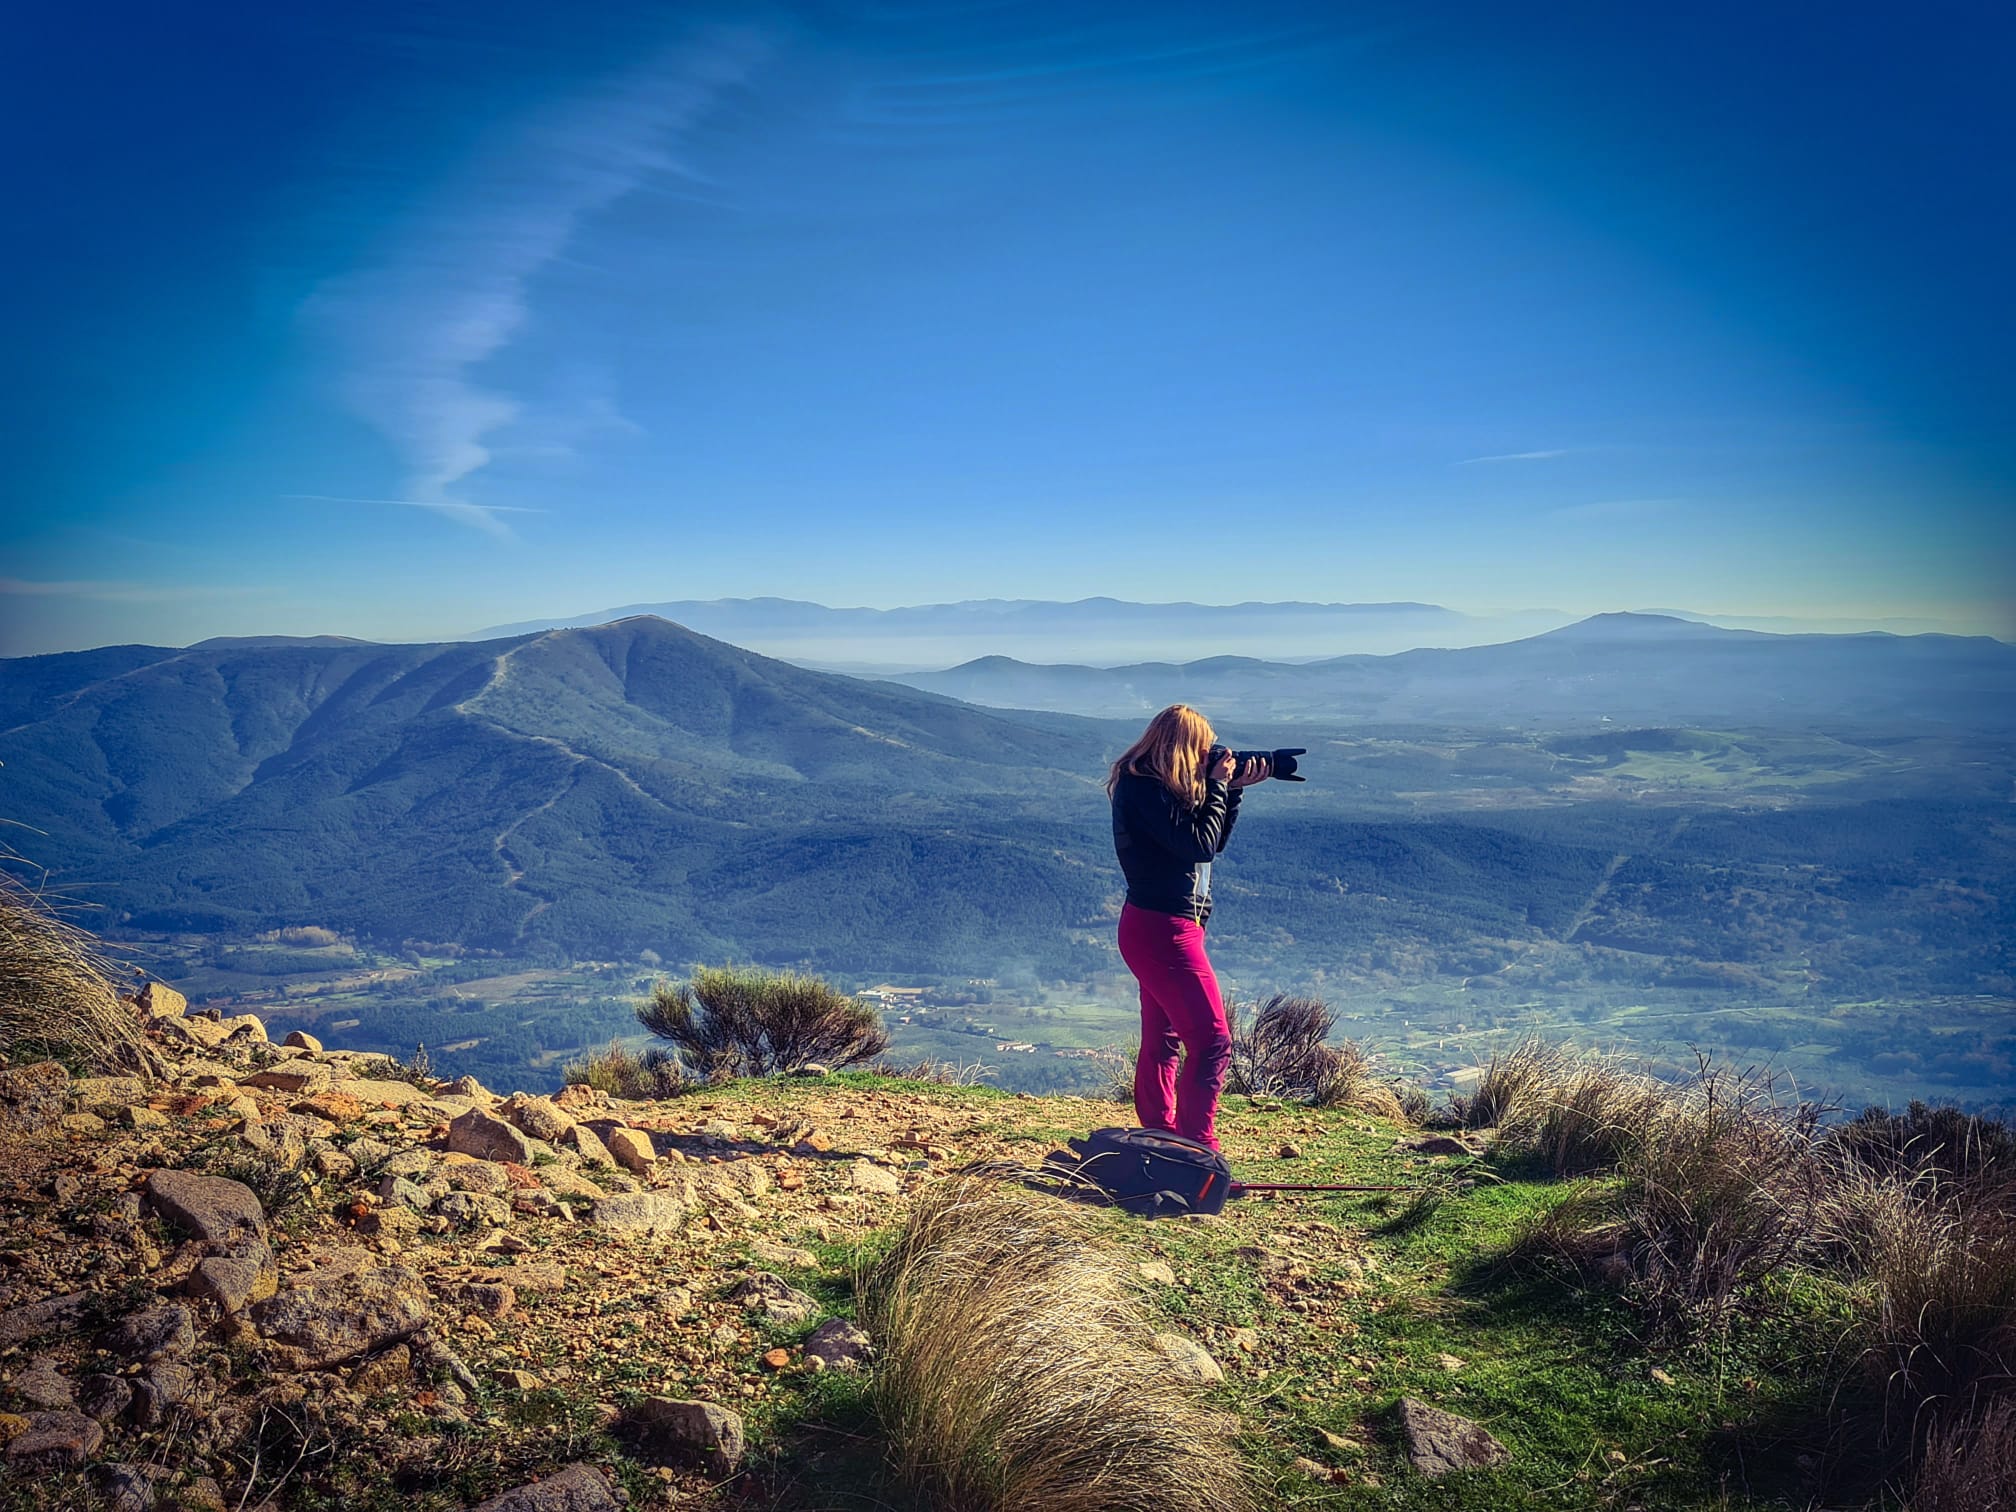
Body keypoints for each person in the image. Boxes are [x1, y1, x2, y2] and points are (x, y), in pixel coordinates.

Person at [1107, 704, 1240, 1151]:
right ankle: (1196, 1149)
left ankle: (1160, 1140)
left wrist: (1231, 791)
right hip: (1165, 930)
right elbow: (1199, 845)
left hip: (1159, 926)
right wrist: (1218, 784)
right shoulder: (1145, 788)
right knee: (1213, 1041)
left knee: (1163, 1038)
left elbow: (1210, 840)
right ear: (1185, 747)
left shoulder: (1148, 785)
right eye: (1204, 749)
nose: (1208, 758)